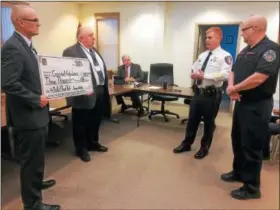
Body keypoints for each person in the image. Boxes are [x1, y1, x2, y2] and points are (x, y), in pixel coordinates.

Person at [1, 5, 60, 210]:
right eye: (34, 20)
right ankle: (33, 204)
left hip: (37, 114)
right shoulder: (12, 47)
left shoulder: (27, 45)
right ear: (20, 22)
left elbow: (31, 77)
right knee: (30, 161)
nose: (38, 23)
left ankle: (35, 183)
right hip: (27, 116)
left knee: (37, 158)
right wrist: (36, 99)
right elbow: (8, 83)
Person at [222, 15, 279, 200]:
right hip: (242, 102)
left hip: (257, 104)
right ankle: (238, 172)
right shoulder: (245, 50)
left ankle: (252, 187)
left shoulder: (270, 49)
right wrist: (232, 88)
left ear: (255, 28)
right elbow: (233, 71)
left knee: (252, 144)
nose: (241, 34)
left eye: (244, 29)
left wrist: (234, 89)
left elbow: (259, 77)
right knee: (238, 140)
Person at [173, 27, 232, 159]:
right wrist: (192, 73)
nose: (206, 40)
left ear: (219, 38)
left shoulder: (225, 56)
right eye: (206, 37)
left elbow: (226, 74)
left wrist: (206, 76)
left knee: (208, 123)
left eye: (210, 37)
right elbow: (193, 67)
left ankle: (204, 148)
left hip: (212, 95)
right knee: (192, 120)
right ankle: (186, 143)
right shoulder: (203, 55)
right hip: (198, 93)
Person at [62, 26, 111, 162]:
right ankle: (81, 149)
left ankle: (93, 143)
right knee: (81, 123)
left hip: (99, 91)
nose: (94, 37)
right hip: (83, 95)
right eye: (90, 35)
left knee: (95, 121)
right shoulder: (71, 51)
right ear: (80, 38)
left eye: (93, 35)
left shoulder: (93, 51)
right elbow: (68, 74)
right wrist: (81, 89)